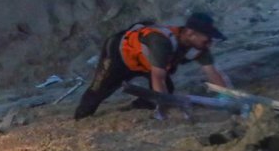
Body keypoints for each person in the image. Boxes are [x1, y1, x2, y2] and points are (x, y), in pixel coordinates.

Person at [74, 13, 231, 120]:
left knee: (165, 91)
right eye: (207, 39)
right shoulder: (161, 42)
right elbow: (158, 77)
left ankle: (141, 105)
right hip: (118, 55)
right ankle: (80, 117)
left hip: (148, 62)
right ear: (190, 33)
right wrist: (164, 112)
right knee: (98, 92)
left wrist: (226, 98)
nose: (209, 43)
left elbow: (212, 72)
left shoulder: (198, 46)